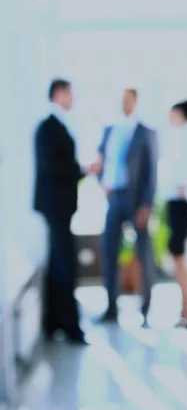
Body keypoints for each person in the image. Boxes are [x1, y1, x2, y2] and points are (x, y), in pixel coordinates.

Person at [34, 78, 93, 345]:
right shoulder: (49, 127)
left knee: (60, 262)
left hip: (60, 207)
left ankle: (56, 321)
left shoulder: (56, 126)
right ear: (59, 94)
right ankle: (68, 324)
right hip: (56, 206)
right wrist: (81, 170)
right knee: (64, 263)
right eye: (70, 93)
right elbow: (51, 167)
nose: (73, 98)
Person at [96, 88, 158, 326]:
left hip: (136, 200)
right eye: (121, 99)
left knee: (143, 253)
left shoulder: (145, 132)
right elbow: (101, 160)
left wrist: (146, 205)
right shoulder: (109, 129)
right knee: (109, 251)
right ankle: (111, 308)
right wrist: (102, 181)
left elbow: (151, 172)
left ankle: (146, 309)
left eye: (128, 99)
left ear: (136, 102)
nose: (124, 103)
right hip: (114, 197)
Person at [164, 99, 187, 328]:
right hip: (178, 201)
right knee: (178, 256)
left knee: (178, 255)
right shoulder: (182, 136)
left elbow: (186, 173)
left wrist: (182, 190)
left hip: (181, 202)